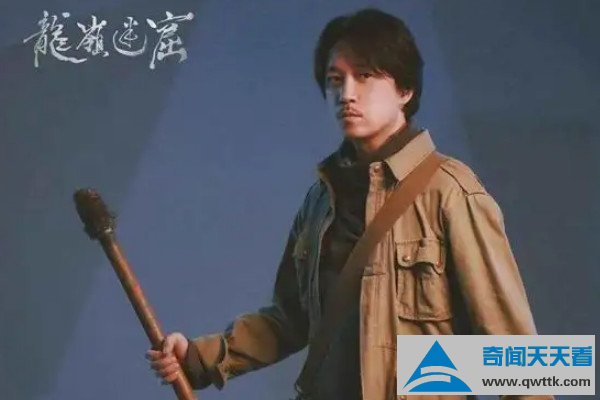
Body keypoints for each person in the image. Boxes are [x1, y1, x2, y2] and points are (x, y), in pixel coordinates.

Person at [147, 8, 550, 400]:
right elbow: (289, 319)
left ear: (405, 90)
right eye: (335, 80)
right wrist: (198, 357)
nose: (347, 94)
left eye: (365, 76)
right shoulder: (320, 200)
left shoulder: (450, 191)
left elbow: (511, 344)